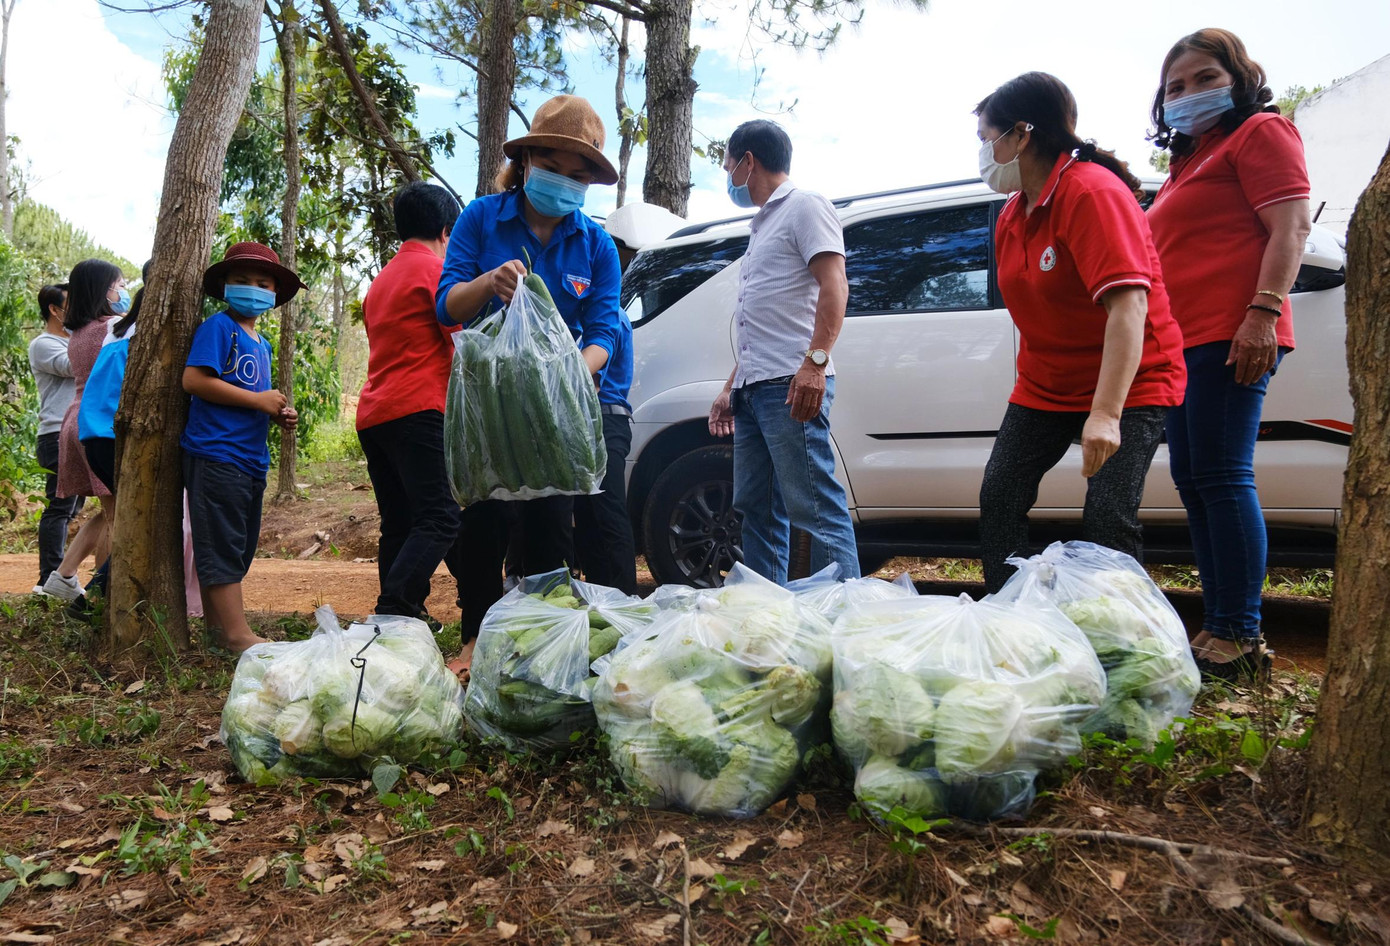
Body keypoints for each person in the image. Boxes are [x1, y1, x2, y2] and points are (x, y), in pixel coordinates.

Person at [435, 94, 634, 669]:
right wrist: (487, 283)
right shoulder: (480, 218)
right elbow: (447, 306)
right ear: (525, 164)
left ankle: (542, 642)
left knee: (552, 523)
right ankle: (475, 638)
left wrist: (571, 370)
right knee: (484, 520)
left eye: (578, 176)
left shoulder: (595, 245)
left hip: (558, 408)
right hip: (489, 403)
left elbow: (604, 330)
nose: (564, 183)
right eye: (552, 167)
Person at [973, 72, 1187, 594]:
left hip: (1130, 382)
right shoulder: (1012, 214)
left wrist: (1106, 414)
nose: (982, 155)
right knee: (1000, 493)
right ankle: (1012, 621)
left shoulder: (1091, 193)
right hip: (1048, 383)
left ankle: (1125, 642)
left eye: (986, 140)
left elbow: (1129, 307)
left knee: (1107, 518)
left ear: (1021, 135)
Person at [1146, 29, 1312, 681]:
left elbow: (1291, 226)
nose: (1188, 94)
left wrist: (1263, 313)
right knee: (1195, 480)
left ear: (1239, 78)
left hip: (1232, 331)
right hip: (1182, 344)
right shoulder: (1188, 161)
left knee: (1221, 476)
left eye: (1204, 78)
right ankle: (1218, 625)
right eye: (1175, 87)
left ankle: (1239, 635)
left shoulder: (1262, 134)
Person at [706, 119, 858, 586]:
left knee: (813, 507)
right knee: (758, 508)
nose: (728, 174)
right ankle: (772, 620)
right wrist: (731, 387)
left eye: (729, 164)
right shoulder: (761, 227)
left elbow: (835, 286)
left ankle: (844, 622)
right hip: (756, 389)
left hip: (791, 386)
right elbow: (765, 323)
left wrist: (814, 364)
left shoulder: (805, 207)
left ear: (748, 161)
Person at [182, 242, 305, 653]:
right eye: (241, 281)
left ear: (273, 294)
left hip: (251, 460)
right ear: (224, 286)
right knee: (223, 542)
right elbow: (195, 381)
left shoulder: (263, 344)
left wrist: (276, 412)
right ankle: (237, 636)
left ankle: (219, 630)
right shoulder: (219, 328)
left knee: (240, 544)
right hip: (217, 453)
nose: (251, 289)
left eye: (261, 283)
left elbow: (251, 395)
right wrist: (257, 400)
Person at [356, 182, 463, 624]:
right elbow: (458, 346)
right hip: (418, 409)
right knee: (440, 517)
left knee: (399, 522)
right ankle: (394, 609)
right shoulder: (436, 274)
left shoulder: (380, 282)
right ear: (445, 231)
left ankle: (408, 609)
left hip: (374, 415)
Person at [42, 260, 126, 603]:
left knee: (109, 508)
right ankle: (104, 595)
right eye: (119, 284)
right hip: (99, 422)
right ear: (103, 289)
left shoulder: (79, 333)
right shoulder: (114, 327)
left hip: (76, 419)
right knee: (116, 514)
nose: (123, 291)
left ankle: (62, 575)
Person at [28, 284, 85, 594]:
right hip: (55, 433)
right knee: (60, 507)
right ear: (54, 308)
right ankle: (48, 577)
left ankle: (59, 576)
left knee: (73, 508)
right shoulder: (43, 343)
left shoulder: (71, 340)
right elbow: (74, 366)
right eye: (70, 304)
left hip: (76, 431)